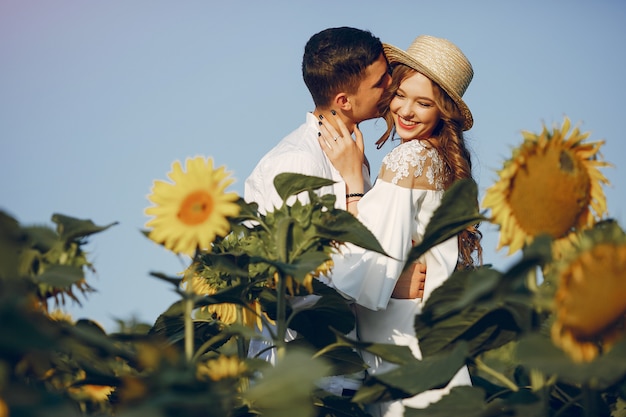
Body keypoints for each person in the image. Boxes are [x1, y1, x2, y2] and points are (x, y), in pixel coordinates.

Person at [243, 26, 426, 397]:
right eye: (380, 83)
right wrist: (392, 283)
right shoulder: (297, 162)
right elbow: (303, 280)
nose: (391, 86)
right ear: (344, 100)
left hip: (340, 373)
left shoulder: (349, 154)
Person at [319, 35, 483, 415]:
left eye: (423, 103)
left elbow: (364, 255)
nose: (406, 111)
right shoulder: (439, 158)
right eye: (401, 95)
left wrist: (353, 186)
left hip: (403, 347)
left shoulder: (408, 157)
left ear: (443, 111)